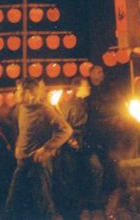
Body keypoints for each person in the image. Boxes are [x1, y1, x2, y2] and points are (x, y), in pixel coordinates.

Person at [5, 78, 72, 219]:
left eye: (19, 90)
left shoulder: (45, 109)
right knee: (12, 203)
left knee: (44, 206)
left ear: (28, 93)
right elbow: (22, 129)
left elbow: (66, 130)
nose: (16, 93)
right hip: (22, 162)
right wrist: (18, 144)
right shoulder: (20, 108)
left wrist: (47, 148)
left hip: (38, 164)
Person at [56, 77, 104, 218]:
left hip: (87, 144)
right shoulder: (67, 105)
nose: (89, 87)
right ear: (78, 88)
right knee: (72, 176)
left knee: (97, 169)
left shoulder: (89, 104)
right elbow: (62, 126)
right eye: (86, 85)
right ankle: (74, 208)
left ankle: (93, 202)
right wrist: (70, 140)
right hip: (71, 145)